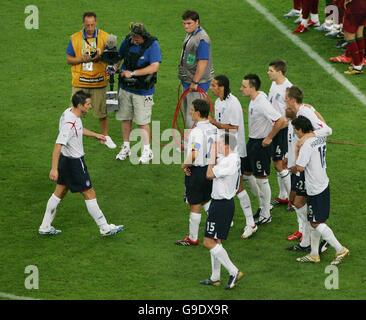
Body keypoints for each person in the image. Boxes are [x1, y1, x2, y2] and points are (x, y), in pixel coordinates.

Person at [38, 90, 123, 236]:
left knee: (60, 191)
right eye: (88, 104)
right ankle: (104, 227)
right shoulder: (69, 123)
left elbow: (78, 129)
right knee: (89, 193)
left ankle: (45, 226)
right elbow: (58, 144)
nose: (90, 107)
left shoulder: (69, 113)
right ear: (80, 105)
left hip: (66, 161)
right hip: (74, 163)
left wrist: (95, 135)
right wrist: (53, 169)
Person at [293, 116, 349, 264]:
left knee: (316, 223)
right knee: (313, 220)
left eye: (295, 130)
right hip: (322, 182)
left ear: (300, 130)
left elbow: (299, 167)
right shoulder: (320, 136)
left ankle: (340, 249)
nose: (295, 134)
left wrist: (297, 149)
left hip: (315, 187)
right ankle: (314, 254)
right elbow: (327, 129)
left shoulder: (306, 145)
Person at [284, 86, 332, 253]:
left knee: (298, 203)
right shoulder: (297, 114)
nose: (284, 101)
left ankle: (319, 239)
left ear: (291, 99)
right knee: (298, 204)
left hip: (305, 169)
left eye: (286, 98)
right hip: (297, 166)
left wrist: (310, 135)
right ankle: (307, 241)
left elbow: (327, 130)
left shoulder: (306, 113)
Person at [209, 75, 256, 239]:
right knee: (225, 185)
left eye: (214, 85)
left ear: (221, 87)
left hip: (234, 149)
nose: (211, 87)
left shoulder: (233, 103)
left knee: (238, 187)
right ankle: (227, 218)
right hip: (223, 148)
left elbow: (234, 128)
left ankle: (251, 223)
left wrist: (215, 124)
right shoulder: (218, 102)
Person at [66, 11, 116, 149]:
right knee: (75, 111)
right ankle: (70, 136)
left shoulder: (105, 37)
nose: (90, 28)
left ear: (96, 23)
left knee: (102, 112)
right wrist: (82, 59)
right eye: (87, 25)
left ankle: (105, 137)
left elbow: (113, 57)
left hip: (99, 81)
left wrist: (99, 57)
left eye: (92, 25)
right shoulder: (75, 38)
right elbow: (69, 59)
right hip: (80, 82)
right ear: (83, 24)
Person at [240, 74, 285, 225]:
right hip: (252, 142)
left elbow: (279, 120)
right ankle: (263, 204)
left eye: (244, 87)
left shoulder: (261, 103)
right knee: (245, 174)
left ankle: (266, 213)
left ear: (252, 88)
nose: (241, 89)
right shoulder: (256, 99)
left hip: (261, 145)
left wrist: (269, 138)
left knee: (262, 179)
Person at [200, 133, 243, 290]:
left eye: (218, 145)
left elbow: (209, 174)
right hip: (224, 203)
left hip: (220, 205)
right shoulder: (234, 156)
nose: (216, 148)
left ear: (226, 146)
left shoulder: (228, 162)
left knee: (208, 241)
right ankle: (215, 277)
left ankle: (233, 271)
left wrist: (212, 159)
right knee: (216, 241)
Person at [115, 23, 162, 163]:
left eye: (137, 39)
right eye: (133, 38)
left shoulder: (152, 45)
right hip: (125, 87)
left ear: (143, 35)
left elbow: (154, 66)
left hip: (143, 90)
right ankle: (126, 147)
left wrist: (133, 73)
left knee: (142, 121)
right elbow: (119, 56)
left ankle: (147, 151)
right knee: (125, 117)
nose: (134, 41)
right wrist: (113, 66)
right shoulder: (128, 41)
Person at [175, 99, 217, 246]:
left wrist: (184, 165)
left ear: (198, 113)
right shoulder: (213, 128)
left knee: (194, 204)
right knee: (206, 199)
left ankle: (192, 238)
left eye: (192, 110)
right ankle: (218, 225)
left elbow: (193, 154)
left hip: (197, 171)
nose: (190, 112)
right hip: (210, 169)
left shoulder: (197, 132)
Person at [178, 10, 214, 130]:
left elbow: (203, 62)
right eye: (184, 23)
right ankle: (188, 143)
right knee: (188, 114)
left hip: (197, 84)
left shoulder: (202, 39)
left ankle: (193, 145)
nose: (186, 26)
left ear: (197, 22)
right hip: (188, 81)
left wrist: (195, 81)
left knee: (194, 117)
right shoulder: (192, 34)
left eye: (189, 23)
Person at [267, 59, 292, 209]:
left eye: (271, 71)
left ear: (280, 72)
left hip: (282, 130)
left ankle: (293, 200)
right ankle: (283, 196)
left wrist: (276, 130)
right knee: (277, 162)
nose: (268, 73)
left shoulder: (287, 88)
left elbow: (290, 114)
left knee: (279, 163)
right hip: (274, 128)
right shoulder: (274, 84)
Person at [343, 0, 366, 75]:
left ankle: (357, 66)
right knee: (359, 33)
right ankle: (360, 62)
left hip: (355, 5)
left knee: (349, 35)